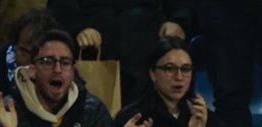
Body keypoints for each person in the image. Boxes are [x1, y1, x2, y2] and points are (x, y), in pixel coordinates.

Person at [49, 0, 189, 103]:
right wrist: (78, 28)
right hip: (94, 53)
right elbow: (59, 4)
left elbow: (181, 7)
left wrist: (178, 21)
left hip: (146, 52)